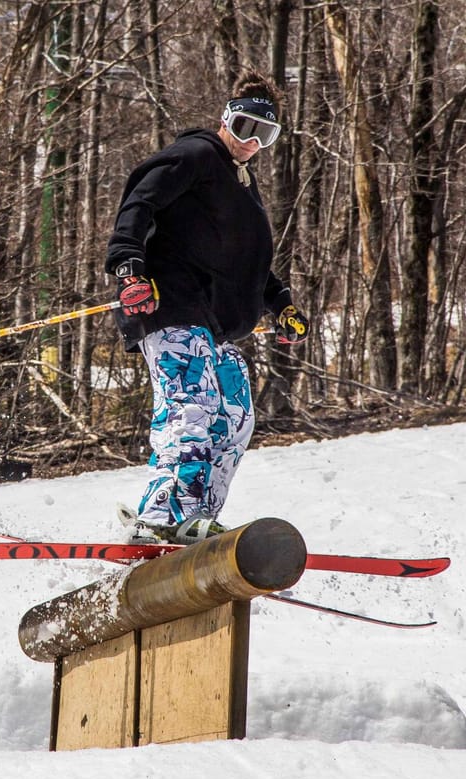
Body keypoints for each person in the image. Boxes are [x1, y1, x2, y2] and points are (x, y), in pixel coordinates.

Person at [104, 70, 308, 545]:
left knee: (236, 417)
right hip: (170, 304)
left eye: (266, 134)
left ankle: (197, 519)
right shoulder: (197, 155)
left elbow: (249, 264)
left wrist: (281, 303)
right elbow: (139, 202)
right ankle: (162, 515)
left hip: (210, 324)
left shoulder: (242, 186)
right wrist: (128, 267)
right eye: (244, 128)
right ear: (224, 121)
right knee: (190, 408)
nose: (252, 142)